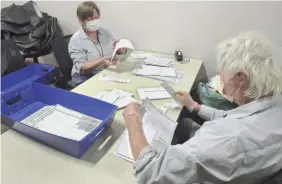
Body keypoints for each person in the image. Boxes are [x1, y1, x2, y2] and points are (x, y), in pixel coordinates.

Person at [123, 31, 282, 184]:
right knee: (183, 123)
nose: (221, 82)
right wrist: (195, 107)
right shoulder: (274, 105)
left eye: (222, 76)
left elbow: (148, 173)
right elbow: (234, 117)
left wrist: (132, 118)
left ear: (241, 78)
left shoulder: (224, 138)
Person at [68, 1, 127, 84]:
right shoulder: (75, 40)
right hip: (85, 77)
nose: (94, 21)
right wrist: (102, 61)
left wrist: (121, 50)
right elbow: (82, 67)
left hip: (105, 73)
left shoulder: (105, 32)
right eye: (90, 19)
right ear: (81, 21)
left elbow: (116, 49)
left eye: (96, 18)